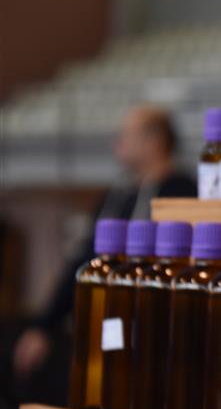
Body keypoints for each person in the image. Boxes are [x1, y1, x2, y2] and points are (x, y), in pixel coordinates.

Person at [11, 104, 196, 379]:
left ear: (154, 141)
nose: (117, 142)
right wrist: (44, 325)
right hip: (108, 324)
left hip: (158, 333)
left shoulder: (183, 193)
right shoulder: (118, 195)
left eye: (126, 134)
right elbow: (84, 259)